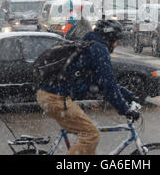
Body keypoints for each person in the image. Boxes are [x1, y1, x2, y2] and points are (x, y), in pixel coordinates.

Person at [36, 19, 140, 155]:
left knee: (88, 143)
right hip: (56, 98)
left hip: (48, 95)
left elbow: (103, 83)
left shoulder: (89, 45)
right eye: (116, 40)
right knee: (91, 135)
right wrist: (125, 110)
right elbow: (108, 85)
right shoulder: (99, 49)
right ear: (110, 37)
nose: (116, 44)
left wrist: (129, 95)